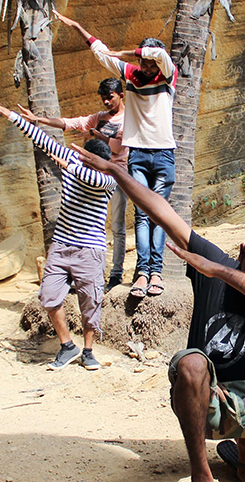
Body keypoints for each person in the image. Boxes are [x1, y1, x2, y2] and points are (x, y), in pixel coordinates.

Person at [71, 143, 245, 482]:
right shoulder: (213, 259)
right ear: (242, 250)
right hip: (203, 393)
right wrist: (117, 172)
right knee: (192, 363)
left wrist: (220, 271)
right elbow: (162, 211)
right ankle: (201, 474)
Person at [55, 10, 176, 299]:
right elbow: (100, 53)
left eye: (150, 61)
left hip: (164, 155)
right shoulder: (131, 75)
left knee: (158, 215)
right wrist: (77, 25)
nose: (146, 66)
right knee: (143, 216)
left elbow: (162, 57)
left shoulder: (168, 75)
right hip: (137, 155)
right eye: (142, 62)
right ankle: (143, 273)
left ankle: (156, 272)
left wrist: (129, 50)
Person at [0, 101, 116, 371]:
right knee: (49, 297)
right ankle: (67, 346)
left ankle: (88, 350)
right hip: (61, 246)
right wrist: (14, 117)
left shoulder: (108, 179)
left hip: (90, 251)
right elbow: (42, 140)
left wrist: (72, 166)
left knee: (90, 303)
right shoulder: (73, 160)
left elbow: (93, 180)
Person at [15, 78, 129, 293]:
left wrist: (97, 136)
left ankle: (116, 274)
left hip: (114, 178)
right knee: (89, 227)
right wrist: (39, 119)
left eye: (110, 98)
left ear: (121, 95)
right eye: (103, 98)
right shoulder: (98, 118)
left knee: (118, 228)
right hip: (88, 176)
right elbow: (71, 123)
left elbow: (119, 147)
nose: (106, 102)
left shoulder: (128, 119)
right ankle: (82, 273)